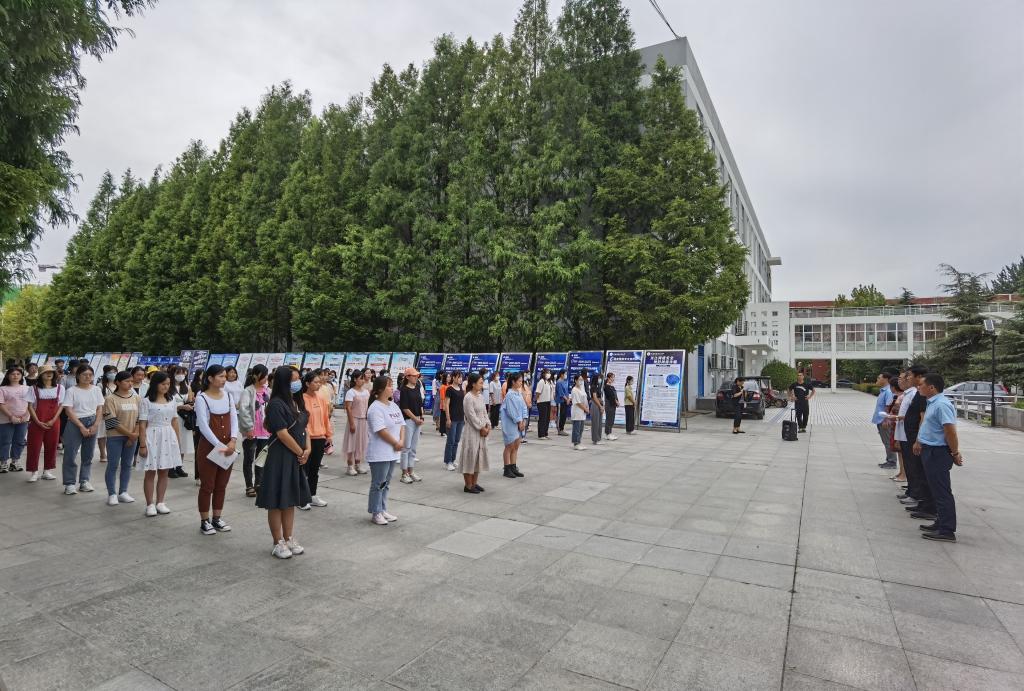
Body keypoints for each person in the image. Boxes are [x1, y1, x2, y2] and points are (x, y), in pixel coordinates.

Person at [257, 365, 311, 558]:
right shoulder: (276, 404)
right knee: (276, 500)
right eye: (293, 379)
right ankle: (277, 541)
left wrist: (307, 449)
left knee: (289, 500)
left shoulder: (297, 401)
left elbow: (304, 428)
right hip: (280, 457)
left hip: (296, 457)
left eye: (298, 379)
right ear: (283, 382)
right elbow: (282, 433)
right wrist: (300, 452)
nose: (297, 382)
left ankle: (289, 538)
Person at [913, 373, 962, 542]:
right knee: (935, 489)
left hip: (938, 452)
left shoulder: (942, 405)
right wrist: (919, 441)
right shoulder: (932, 402)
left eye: (921, 385)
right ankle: (940, 522)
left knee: (942, 491)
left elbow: (950, 431)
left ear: (932, 387)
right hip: (929, 450)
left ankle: (947, 530)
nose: (919, 387)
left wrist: (955, 453)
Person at [194, 364, 238, 535]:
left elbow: (234, 419)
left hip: (228, 446)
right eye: (220, 376)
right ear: (210, 378)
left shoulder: (228, 396)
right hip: (209, 447)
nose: (224, 379)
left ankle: (217, 518)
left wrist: (233, 440)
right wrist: (219, 444)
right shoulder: (202, 398)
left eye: (225, 376)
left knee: (221, 485)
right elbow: (203, 426)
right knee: (207, 485)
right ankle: (204, 521)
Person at [138, 372, 181, 516]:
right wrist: (142, 445)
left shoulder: (172, 400)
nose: (166, 386)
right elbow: (142, 424)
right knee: (150, 472)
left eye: (168, 384)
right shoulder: (146, 401)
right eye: (163, 384)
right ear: (155, 384)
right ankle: (150, 504)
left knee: (164, 471)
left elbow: (174, 420)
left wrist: (177, 441)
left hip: (168, 435)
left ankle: (160, 502)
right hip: (152, 436)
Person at [366, 375, 404, 525]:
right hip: (380, 452)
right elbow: (381, 430)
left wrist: (401, 441)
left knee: (386, 483)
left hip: (392, 451)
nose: (392, 388)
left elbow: (401, 425)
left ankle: (382, 508)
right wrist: (396, 442)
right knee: (379, 483)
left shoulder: (393, 405)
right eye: (389, 385)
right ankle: (376, 512)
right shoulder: (375, 408)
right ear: (380, 389)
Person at [101, 370, 140, 505]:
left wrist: (134, 435)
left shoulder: (136, 398)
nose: (130, 384)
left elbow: (140, 418)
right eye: (127, 381)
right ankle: (112, 494)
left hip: (132, 437)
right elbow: (112, 421)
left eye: (131, 381)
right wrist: (130, 435)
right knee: (113, 465)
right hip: (115, 437)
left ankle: (123, 492)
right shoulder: (110, 399)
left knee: (127, 465)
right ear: (118, 382)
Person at [298, 370, 331, 509]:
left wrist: (328, 435)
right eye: (315, 382)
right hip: (306, 438)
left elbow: (325, 418)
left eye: (319, 382)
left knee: (314, 469)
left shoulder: (321, 398)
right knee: (303, 469)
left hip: (320, 437)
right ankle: (301, 498)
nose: (319, 384)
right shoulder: (301, 399)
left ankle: (312, 495)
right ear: (307, 383)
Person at [25, 366, 63, 483]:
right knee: (34, 446)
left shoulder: (60, 388)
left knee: (52, 445)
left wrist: (53, 420)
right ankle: (34, 471)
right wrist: (37, 421)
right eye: (46, 372)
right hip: (37, 420)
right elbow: (30, 406)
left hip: (54, 421)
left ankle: (47, 471)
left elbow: (61, 406)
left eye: (51, 372)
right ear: (40, 375)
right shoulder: (33, 388)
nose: (49, 374)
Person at [238, 364, 270, 497]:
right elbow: (244, 411)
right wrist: (248, 428)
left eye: (266, 375)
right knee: (249, 459)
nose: (266, 378)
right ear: (256, 376)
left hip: (265, 432)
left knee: (261, 459)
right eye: (264, 375)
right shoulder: (248, 391)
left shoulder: (268, 391)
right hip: (252, 431)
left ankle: (259, 483)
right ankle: (249, 486)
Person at [459, 372, 490, 493]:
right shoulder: (468, 397)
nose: (482, 385)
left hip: (482, 431)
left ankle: (474, 483)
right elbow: (471, 416)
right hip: (472, 431)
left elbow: (484, 412)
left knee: (478, 457)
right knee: (470, 457)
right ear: (473, 384)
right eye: (480, 383)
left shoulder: (480, 396)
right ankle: (468, 485)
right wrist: (482, 427)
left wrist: (488, 425)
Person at [0, 367, 31, 474]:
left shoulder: (27, 388)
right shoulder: (2, 389)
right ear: (8, 376)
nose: (15, 376)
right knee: (5, 441)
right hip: (6, 419)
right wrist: (11, 416)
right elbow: (1, 404)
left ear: (22, 376)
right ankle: (3, 462)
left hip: (23, 420)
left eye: (18, 374)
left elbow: (31, 404)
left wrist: (26, 415)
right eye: (13, 374)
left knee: (19, 441)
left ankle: (15, 462)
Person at [399, 366, 425, 483]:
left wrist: (421, 416)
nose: (416, 377)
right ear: (408, 377)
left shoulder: (417, 387)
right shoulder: (404, 390)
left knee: (413, 448)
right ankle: (404, 473)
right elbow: (404, 408)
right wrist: (415, 419)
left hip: (418, 419)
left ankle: (411, 471)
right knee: (406, 447)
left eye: (416, 375)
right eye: (414, 375)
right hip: (409, 420)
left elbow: (420, 404)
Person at [500, 372, 527, 478]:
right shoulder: (510, 395)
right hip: (511, 424)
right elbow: (512, 411)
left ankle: (513, 467)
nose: (521, 383)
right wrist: (519, 421)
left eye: (521, 381)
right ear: (513, 382)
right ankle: (506, 468)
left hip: (519, 423)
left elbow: (524, 407)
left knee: (516, 446)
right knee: (509, 446)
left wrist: (524, 420)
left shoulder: (518, 393)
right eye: (519, 381)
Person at [343, 369, 369, 475]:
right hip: (354, 419)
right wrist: (351, 423)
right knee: (351, 442)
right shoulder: (351, 392)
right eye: (361, 378)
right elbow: (348, 408)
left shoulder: (366, 392)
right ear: (355, 379)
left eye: (363, 378)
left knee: (360, 443)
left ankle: (358, 464)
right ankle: (350, 466)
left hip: (363, 420)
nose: (363, 380)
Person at [168, 365, 192, 478]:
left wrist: (189, 404)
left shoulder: (186, 387)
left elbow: (189, 401)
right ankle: (170, 467)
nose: (181, 375)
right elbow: (166, 404)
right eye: (178, 373)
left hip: (184, 418)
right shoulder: (168, 386)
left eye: (183, 373)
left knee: (183, 443)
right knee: (173, 441)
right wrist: (181, 407)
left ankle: (179, 466)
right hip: (172, 418)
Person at [872, 372, 897, 468]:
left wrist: (886, 420)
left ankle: (892, 462)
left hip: (884, 421)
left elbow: (889, 406)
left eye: (879, 378)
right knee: (886, 441)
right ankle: (889, 460)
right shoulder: (883, 391)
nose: (877, 379)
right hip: (880, 420)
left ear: (886, 379)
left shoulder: (888, 391)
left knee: (888, 442)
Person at [442, 371, 465, 472]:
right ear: (453, 378)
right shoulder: (449, 389)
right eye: (458, 377)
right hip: (452, 418)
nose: (460, 379)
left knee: (456, 440)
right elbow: (446, 405)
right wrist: (448, 418)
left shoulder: (461, 389)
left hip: (460, 418)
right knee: (450, 441)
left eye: (461, 377)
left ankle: (453, 459)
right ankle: (448, 462)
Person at [570, 373, 590, 450]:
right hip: (577, 411)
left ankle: (579, 442)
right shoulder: (574, 390)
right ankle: (576, 443)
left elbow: (585, 399)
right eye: (580, 380)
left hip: (582, 412)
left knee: (581, 428)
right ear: (576, 380)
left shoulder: (582, 389)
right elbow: (578, 402)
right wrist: (585, 409)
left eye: (582, 380)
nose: (581, 381)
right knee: (577, 428)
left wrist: (586, 408)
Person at [535, 368, 554, 440]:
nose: (549, 374)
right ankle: (541, 434)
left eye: (549, 373)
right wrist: (536, 400)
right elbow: (538, 392)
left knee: (547, 419)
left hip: (548, 401)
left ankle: (545, 433)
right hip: (541, 402)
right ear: (543, 374)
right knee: (542, 418)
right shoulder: (541, 381)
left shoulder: (548, 382)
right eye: (547, 373)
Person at [603, 372, 620, 441]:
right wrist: (616, 402)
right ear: (608, 378)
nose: (613, 379)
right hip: (609, 405)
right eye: (612, 377)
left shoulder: (612, 386)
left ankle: (610, 432)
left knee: (612, 419)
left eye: (613, 377)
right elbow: (611, 397)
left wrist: (617, 402)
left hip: (613, 405)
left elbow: (615, 396)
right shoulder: (606, 387)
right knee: (609, 419)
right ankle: (607, 434)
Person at [589, 371, 605, 445]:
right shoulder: (593, 386)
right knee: (595, 423)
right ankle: (595, 439)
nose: (600, 379)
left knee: (599, 423)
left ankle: (598, 438)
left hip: (599, 404)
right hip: (595, 405)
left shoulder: (598, 386)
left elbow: (599, 397)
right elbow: (594, 398)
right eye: (599, 378)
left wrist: (602, 405)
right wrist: (600, 406)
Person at [555, 369, 570, 436]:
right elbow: (561, 393)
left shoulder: (564, 381)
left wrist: (568, 399)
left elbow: (566, 391)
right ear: (561, 374)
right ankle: (559, 429)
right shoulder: (559, 382)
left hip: (565, 401)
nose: (566, 375)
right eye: (565, 374)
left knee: (564, 415)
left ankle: (562, 428)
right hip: (561, 401)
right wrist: (566, 399)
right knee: (560, 415)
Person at [438, 371, 450, 437]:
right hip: (444, 405)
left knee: (447, 418)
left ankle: (446, 431)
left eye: (449, 377)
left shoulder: (449, 386)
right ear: (445, 378)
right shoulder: (443, 387)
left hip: (448, 405)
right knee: (443, 419)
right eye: (448, 377)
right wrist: (444, 406)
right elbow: (442, 397)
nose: (449, 378)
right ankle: (443, 432)